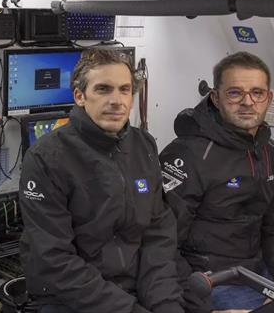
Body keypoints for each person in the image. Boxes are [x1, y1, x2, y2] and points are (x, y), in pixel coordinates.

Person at [19, 48, 184, 313]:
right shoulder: (46, 158)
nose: (116, 100)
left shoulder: (144, 145)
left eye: (125, 89)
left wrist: (164, 303)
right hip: (69, 296)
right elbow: (54, 259)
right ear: (79, 96)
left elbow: (158, 233)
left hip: (136, 287)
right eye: (103, 89)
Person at [159, 52, 274, 312]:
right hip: (210, 280)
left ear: (268, 98)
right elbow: (161, 241)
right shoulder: (188, 155)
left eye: (257, 93)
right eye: (235, 93)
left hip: (257, 274)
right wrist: (199, 301)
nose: (248, 102)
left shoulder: (271, 153)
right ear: (215, 97)